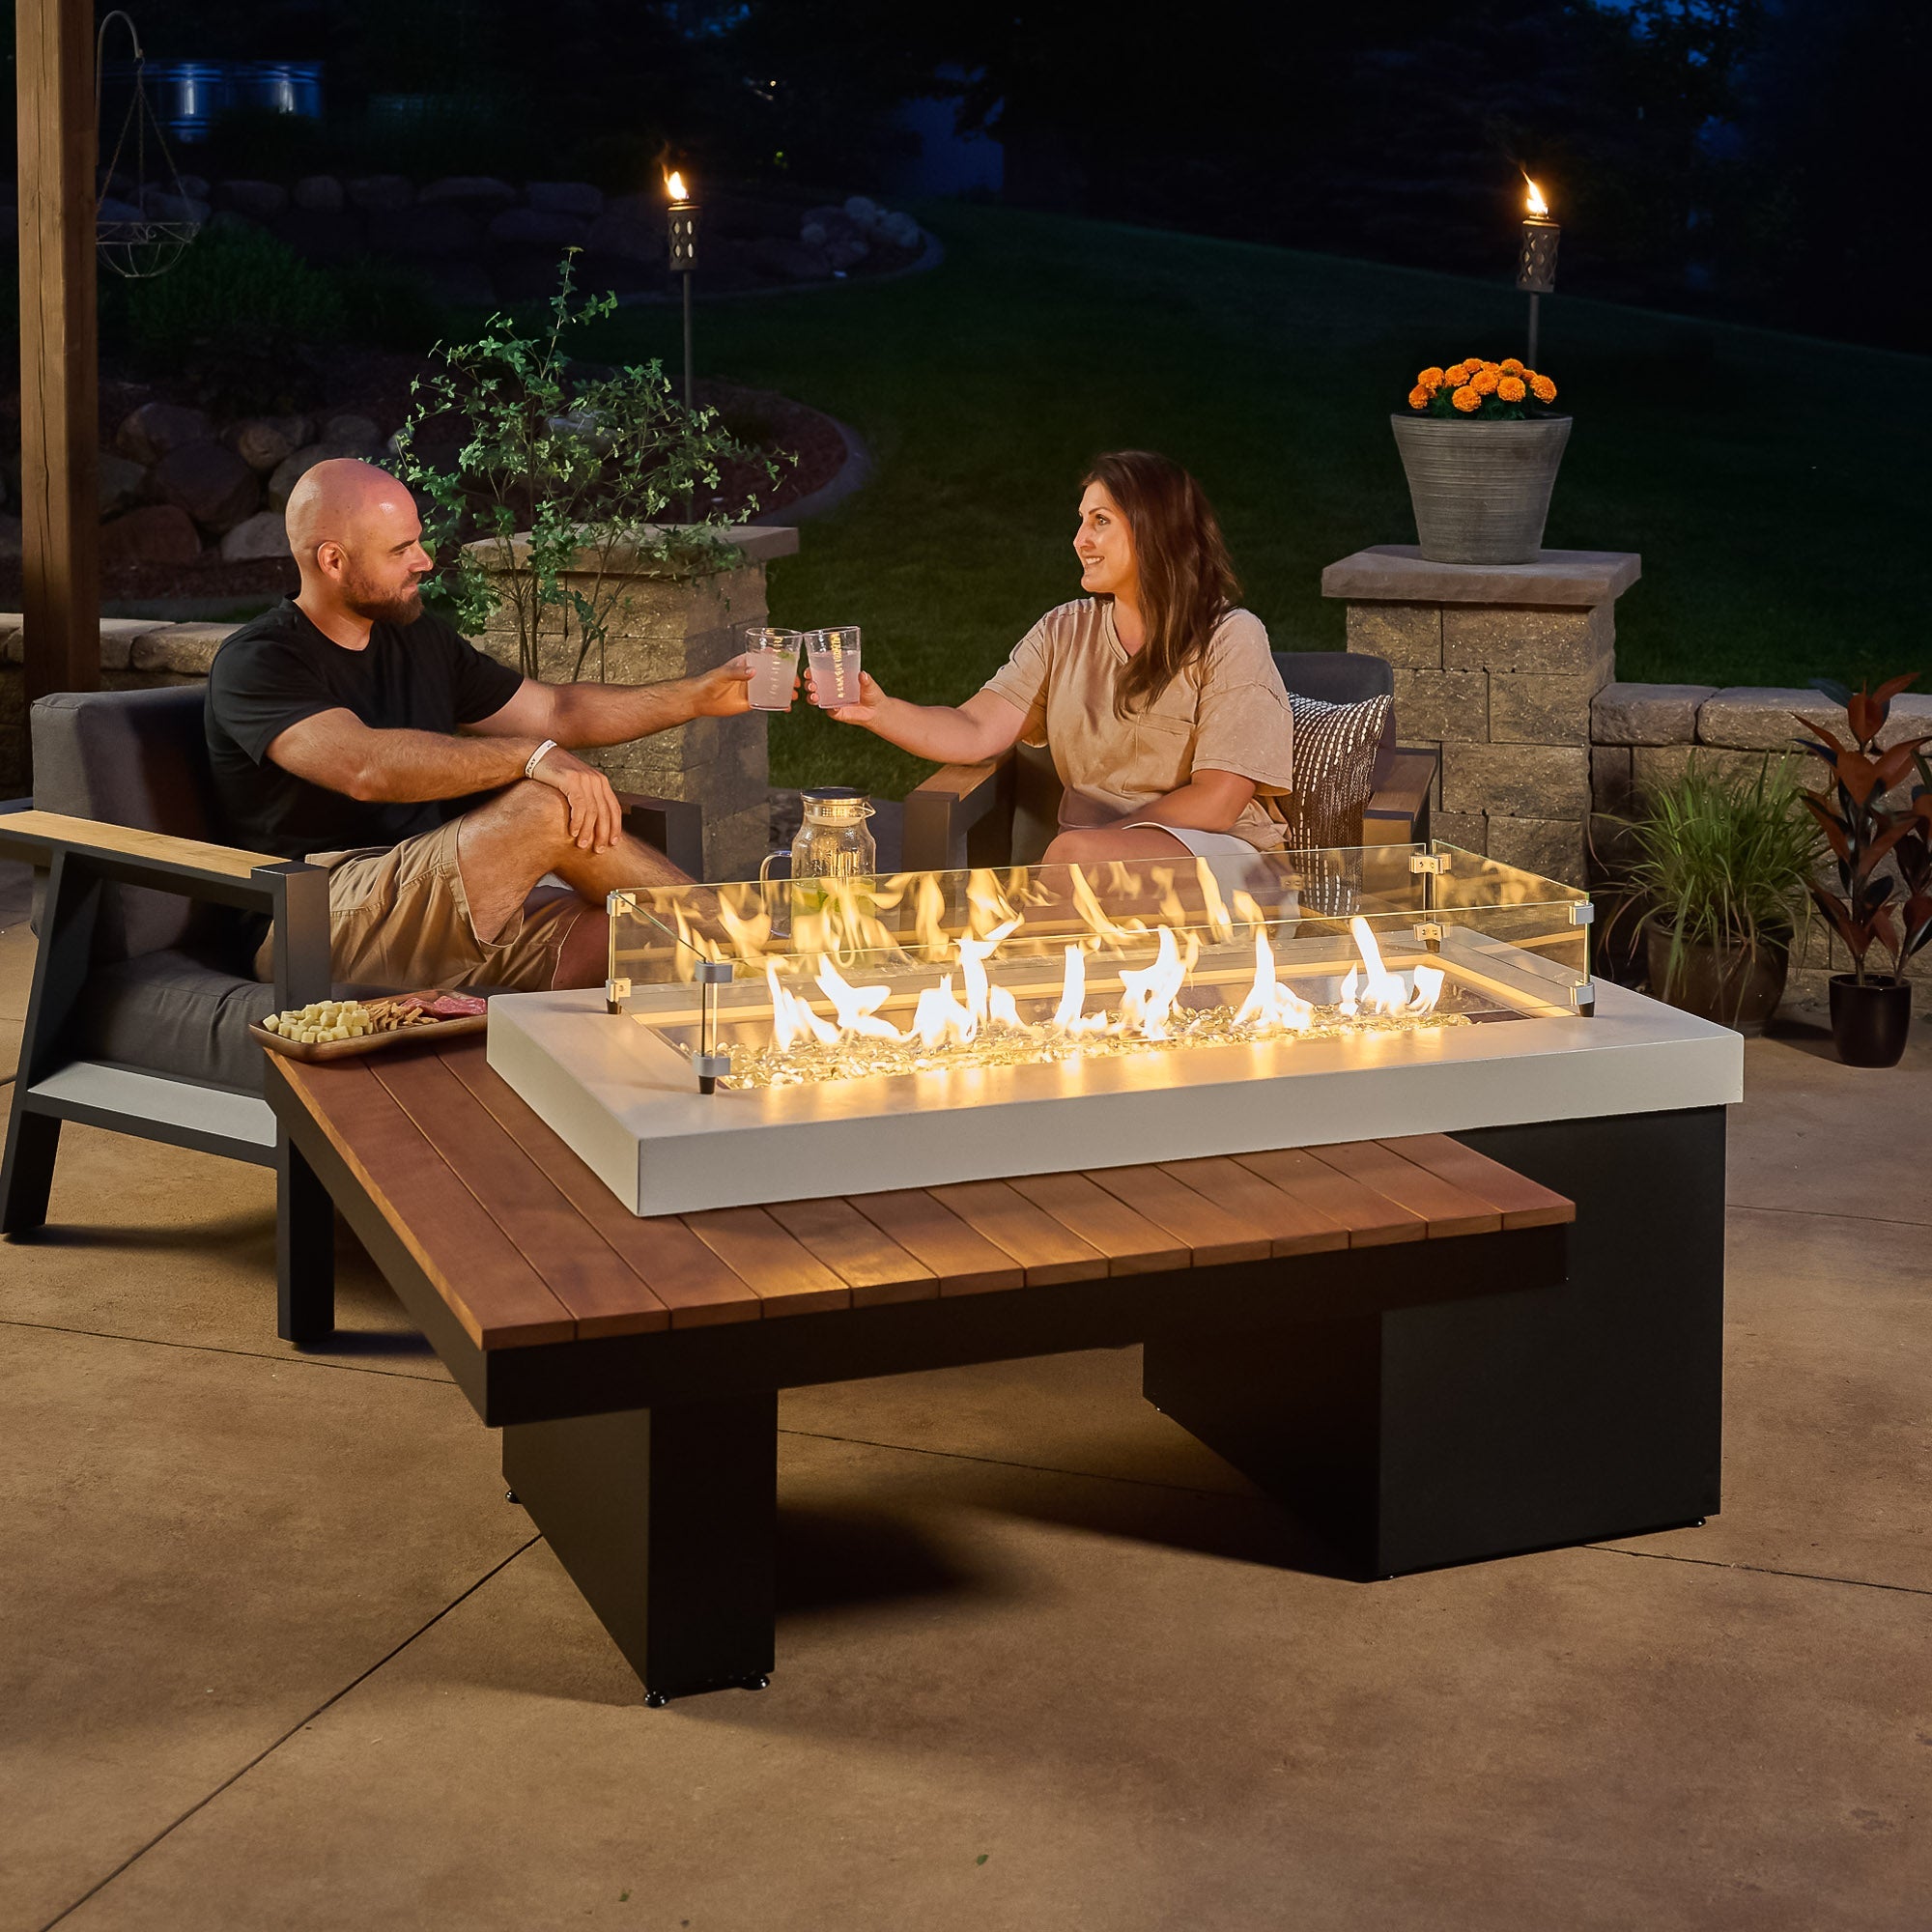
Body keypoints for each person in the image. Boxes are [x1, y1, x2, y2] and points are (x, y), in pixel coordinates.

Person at [204, 458, 780, 992]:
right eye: (401, 549)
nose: (424, 561)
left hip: (444, 899)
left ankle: (754, 976)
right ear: (333, 560)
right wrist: (533, 758)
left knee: (637, 946)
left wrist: (697, 696)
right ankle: (765, 954)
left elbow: (557, 712)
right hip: (312, 915)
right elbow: (365, 767)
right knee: (545, 806)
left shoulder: (416, 637)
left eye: (419, 541)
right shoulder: (259, 661)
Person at [817, 450, 1293, 864]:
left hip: (1218, 858)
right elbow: (977, 729)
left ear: (1156, 530)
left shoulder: (1229, 637)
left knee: (1067, 870)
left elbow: (1219, 801)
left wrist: (1092, 849)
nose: (1079, 540)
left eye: (1100, 521)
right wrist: (879, 712)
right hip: (1086, 865)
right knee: (1071, 870)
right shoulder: (1063, 631)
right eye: (1082, 520)